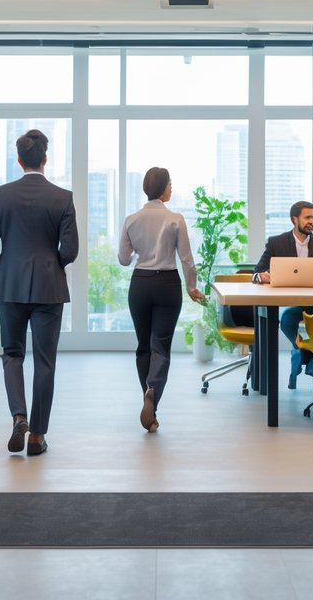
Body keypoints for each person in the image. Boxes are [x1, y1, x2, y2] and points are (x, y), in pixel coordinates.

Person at [0, 129, 79, 456]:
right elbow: (71, 250)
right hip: (49, 288)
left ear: (19, 160)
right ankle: (37, 436)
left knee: (12, 354)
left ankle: (18, 416)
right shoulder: (62, 198)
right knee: (45, 361)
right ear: (45, 159)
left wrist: (5, 269)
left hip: (10, 286)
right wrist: (52, 264)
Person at [117, 167, 207, 433]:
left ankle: (149, 402)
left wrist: (140, 254)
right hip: (167, 284)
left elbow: (123, 259)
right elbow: (187, 259)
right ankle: (153, 392)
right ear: (162, 187)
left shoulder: (131, 219)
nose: (172, 188)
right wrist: (192, 287)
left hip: (140, 284)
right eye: (170, 183)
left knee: (143, 346)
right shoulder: (175, 219)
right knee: (161, 347)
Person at [252, 200, 313, 397]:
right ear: (294, 219)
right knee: (287, 320)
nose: (311, 222)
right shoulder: (276, 242)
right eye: (307, 217)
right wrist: (261, 276)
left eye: (312, 217)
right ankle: (303, 349)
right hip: (292, 303)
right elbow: (257, 271)